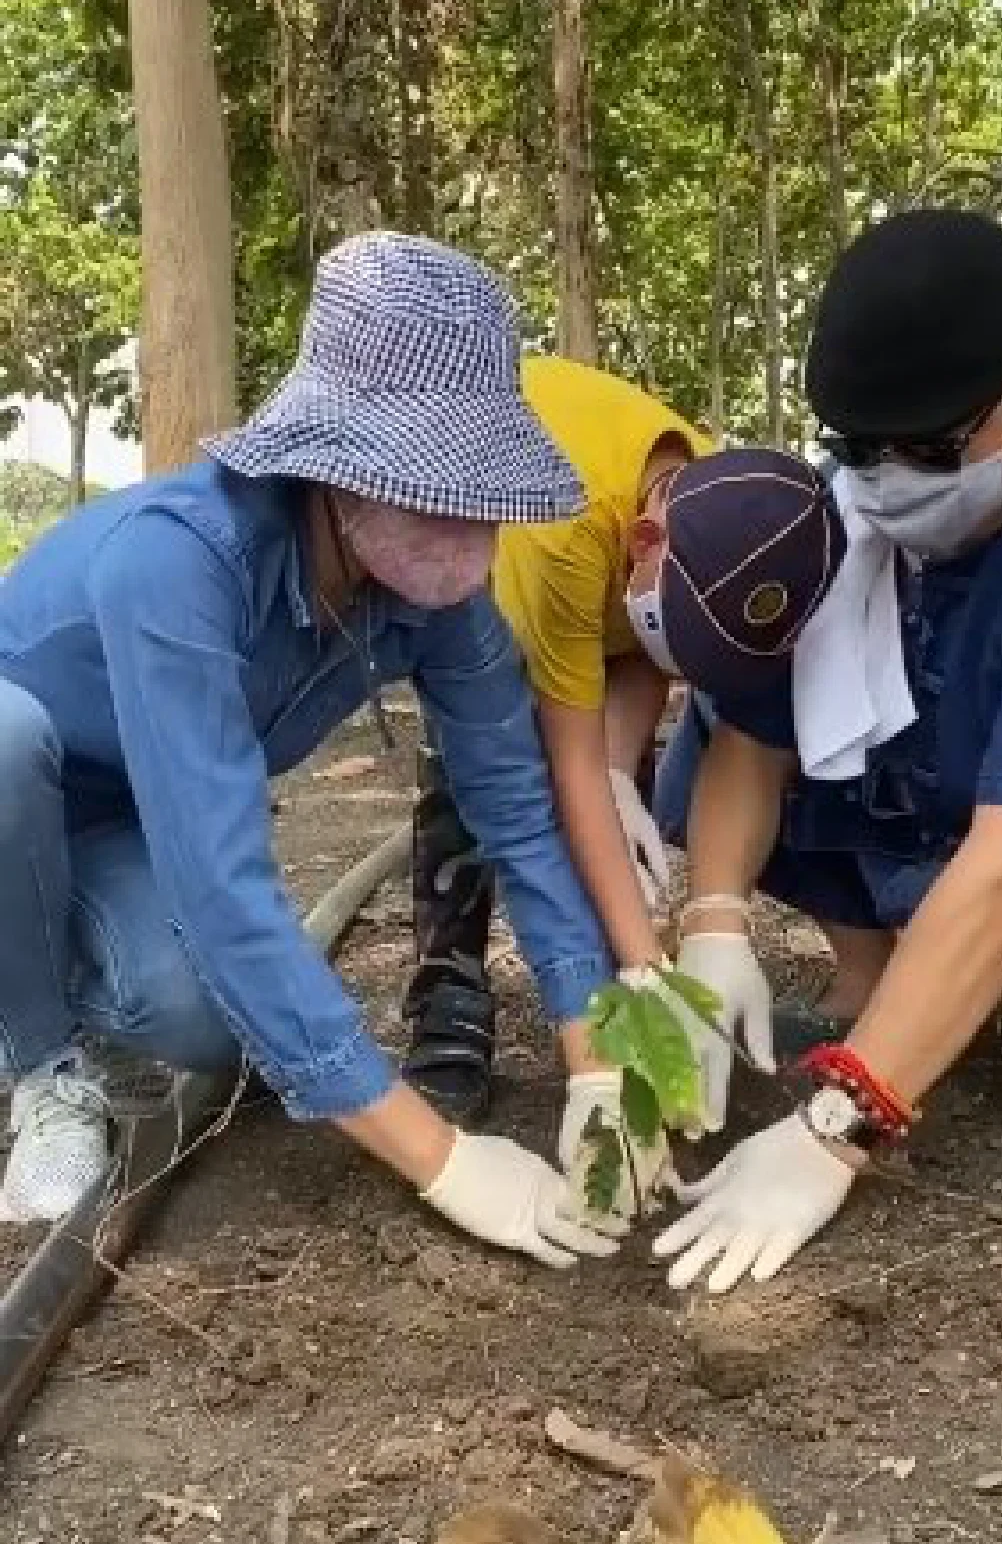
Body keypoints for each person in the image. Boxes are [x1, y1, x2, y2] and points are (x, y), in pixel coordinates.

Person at [0, 231, 620, 1276]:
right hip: (24, 791)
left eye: (480, 493)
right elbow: (222, 880)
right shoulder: (180, 562)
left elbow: (514, 806)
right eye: (435, 487)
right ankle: (42, 1057)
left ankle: (55, 966)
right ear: (338, 470)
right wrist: (441, 1159)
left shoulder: (434, 598)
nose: (465, 525)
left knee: (204, 1019)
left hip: (120, 825)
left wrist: (595, 1057)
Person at [647, 209, 1002, 1295]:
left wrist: (840, 1120)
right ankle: (883, 984)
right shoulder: (844, 511)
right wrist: (710, 927)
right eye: (860, 450)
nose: (891, 481)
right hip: (959, 777)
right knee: (697, 749)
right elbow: (754, 738)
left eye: (933, 451)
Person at [401, 359, 710, 1136]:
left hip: (603, 583)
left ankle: (609, 995)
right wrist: (651, 963)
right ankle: (449, 996)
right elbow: (561, 767)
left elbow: (647, 645)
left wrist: (618, 774)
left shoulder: (715, 494)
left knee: (607, 794)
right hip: (498, 568)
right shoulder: (562, 526)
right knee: (481, 780)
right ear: (642, 539)